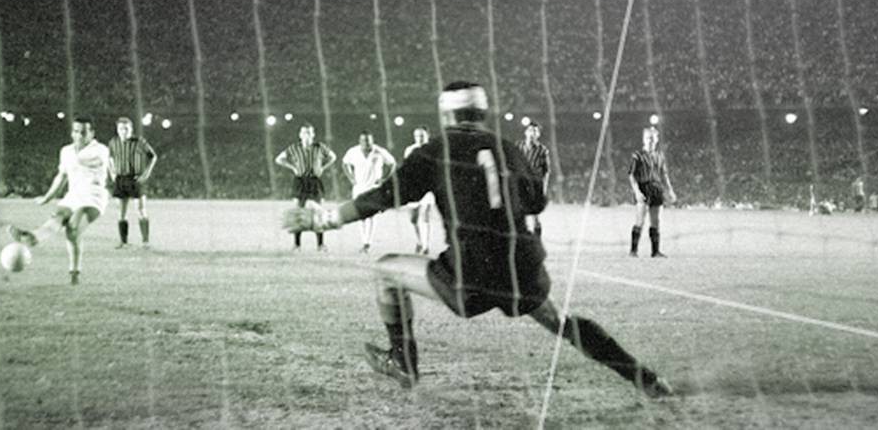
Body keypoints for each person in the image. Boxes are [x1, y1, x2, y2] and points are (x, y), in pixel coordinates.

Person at [284, 81, 672, 396]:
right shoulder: (510, 149)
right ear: (482, 112)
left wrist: (327, 219)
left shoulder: (435, 150)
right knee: (563, 323)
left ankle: (403, 362)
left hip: (469, 273)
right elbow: (537, 203)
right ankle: (646, 380)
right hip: (522, 266)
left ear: (447, 113)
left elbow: (384, 196)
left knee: (386, 271)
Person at [7, 116, 111, 285]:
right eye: (76, 131)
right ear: (72, 132)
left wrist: (72, 156)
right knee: (57, 217)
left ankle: (74, 272)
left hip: (93, 197)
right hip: (73, 195)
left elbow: (78, 160)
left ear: (92, 133)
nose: (79, 136)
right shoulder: (66, 151)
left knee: (73, 228)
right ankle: (32, 238)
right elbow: (62, 176)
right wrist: (47, 198)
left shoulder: (100, 150)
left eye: (83, 132)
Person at [275, 123, 337, 251]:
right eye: (304, 132)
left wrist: (323, 168)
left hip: (315, 181)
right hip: (300, 181)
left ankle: (320, 245)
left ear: (313, 134)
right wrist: (292, 167)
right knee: (299, 213)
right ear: (300, 135)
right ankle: (297, 245)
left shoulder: (319, 147)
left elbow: (333, 157)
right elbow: (279, 159)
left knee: (318, 213)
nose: (306, 135)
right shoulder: (294, 148)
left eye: (309, 132)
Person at [342, 131, 397, 253]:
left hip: (374, 187)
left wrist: (385, 178)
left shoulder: (379, 151)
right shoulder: (353, 151)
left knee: (371, 215)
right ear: (360, 141)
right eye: (364, 140)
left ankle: (368, 243)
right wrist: (351, 178)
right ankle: (364, 241)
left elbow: (392, 163)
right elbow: (345, 163)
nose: (367, 143)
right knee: (360, 215)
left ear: (372, 140)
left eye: (369, 141)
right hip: (359, 188)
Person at [108, 117, 158, 249]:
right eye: (120, 129)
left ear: (131, 129)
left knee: (141, 210)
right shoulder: (113, 142)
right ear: (117, 130)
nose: (123, 132)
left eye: (126, 129)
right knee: (121, 213)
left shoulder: (139, 142)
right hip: (120, 179)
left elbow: (153, 156)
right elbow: (109, 157)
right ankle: (123, 242)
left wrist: (146, 174)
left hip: (136, 179)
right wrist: (112, 172)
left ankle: (145, 242)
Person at [628, 126, 676, 258]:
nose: (650, 141)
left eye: (653, 138)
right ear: (643, 140)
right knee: (640, 220)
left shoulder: (659, 156)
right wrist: (637, 192)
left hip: (656, 188)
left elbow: (664, 174)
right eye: (648, 138)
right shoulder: (637, 156)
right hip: (643, 188)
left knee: (656, 221)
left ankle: (655, 251)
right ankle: (633, 251)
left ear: (657, 139)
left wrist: (670, 190)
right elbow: (631, 175)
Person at [403, 126, 436, 254]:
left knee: (424, 216)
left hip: (428, 187)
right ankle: (419, 242)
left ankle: (426, 246)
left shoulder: (433, 150)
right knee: (413, 219)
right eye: (417, 136)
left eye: (422, 136)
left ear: (427, 136)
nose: (419, 138)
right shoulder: (410, 150)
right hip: (413, 186)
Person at [517, 122, 551, 237]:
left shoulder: (543, 150)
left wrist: (544, 188)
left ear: (539, 135)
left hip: (535, 184)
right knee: (519, 212)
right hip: (521, 183)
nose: (532, 133)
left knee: (535, 215)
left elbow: (546, 171)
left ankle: (537, 239)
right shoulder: (519, 147)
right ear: (526, 132)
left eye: (535, 131)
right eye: (530, 130)